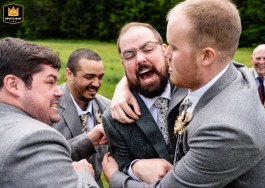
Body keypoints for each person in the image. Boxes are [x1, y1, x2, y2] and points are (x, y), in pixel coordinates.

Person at [102, 0, 265, 187]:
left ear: (206, 56)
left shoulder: (225, 130)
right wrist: (123, 85)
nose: (167, 54)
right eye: (129, 55)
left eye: (174, 47)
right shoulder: (232, 76)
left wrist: (114, 177)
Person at [0, 37, 105, 187]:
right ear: (13, 85)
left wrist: (87, 141)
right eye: (50, 82)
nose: (59, 92)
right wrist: (84, 175)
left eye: (100, 77)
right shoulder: (34, 138)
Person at [102, 22, 188, 181]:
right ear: (123, 65)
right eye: (129, 55)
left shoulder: (192, 87)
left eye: (148, 49)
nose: (140, 59)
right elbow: (123, 167)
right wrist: (133, 168)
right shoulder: (114, 119)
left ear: (164, 50)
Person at [52, 48, 110, 187]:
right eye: (89, 77)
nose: (96, 83)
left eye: (100, 77)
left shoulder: (109, 108)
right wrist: (87, 140)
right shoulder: (50, 106)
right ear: (69, 74)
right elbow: (48, 157)